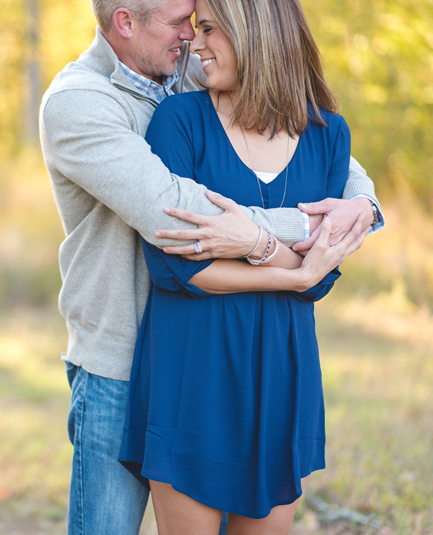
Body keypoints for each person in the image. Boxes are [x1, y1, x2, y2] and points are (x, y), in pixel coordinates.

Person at [38, 0, 385, 533]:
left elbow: (320, 152)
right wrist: (297, 239)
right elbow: (178, 213)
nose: (192, 38)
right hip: (121, 358)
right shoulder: (79, 103)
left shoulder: (194, 68)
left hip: (225, 351)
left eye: (199, 25)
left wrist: (364, 207)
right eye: (181, 22)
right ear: (127, 22)